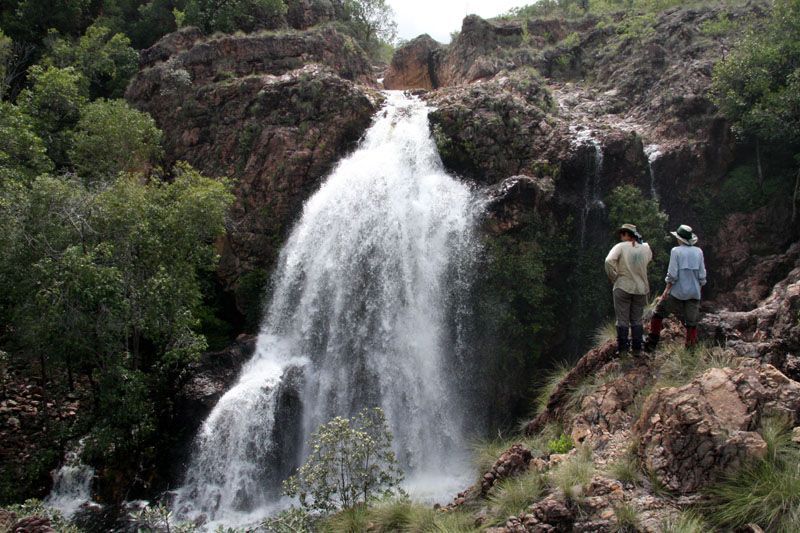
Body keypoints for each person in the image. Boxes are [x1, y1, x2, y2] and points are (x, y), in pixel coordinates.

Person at [645, 224, 707, 351]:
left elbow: (672, 274)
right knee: (691, 323)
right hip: (694, 293)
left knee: (658, 312)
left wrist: (666, 291)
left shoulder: (676, 251)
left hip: (677, 292)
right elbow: (702, 275)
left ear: (679, 239)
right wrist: (699, 289)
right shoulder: (698, 252)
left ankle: (651, 343)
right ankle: (690, 351)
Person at [605, 223, 653, 354]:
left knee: (622, 320)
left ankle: (623, 351)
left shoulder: (620, 247)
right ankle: (637, 349)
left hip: (623, 286)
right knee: (637, 319)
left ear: (627, 234)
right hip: (640, 288)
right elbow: (648, 259)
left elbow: (608, 261)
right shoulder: (646, 248)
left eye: (622, 234)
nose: (621, 236)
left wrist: (614, 277)